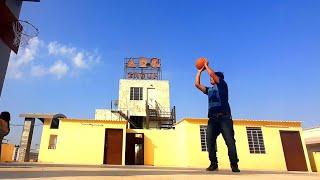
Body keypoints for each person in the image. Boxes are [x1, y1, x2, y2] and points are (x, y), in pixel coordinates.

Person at [195, 60, 240, 172]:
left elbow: (212, 74)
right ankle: (213, 164)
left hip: (225, 118)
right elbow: (197, 84)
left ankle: (234, 165)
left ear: (217, 78)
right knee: (209, 141)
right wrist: (200, 71)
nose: (210, 78)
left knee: (230, 142)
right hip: (213, 119)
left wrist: (206, 65)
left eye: (213, 77)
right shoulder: (210, 90)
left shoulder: (223, 85)